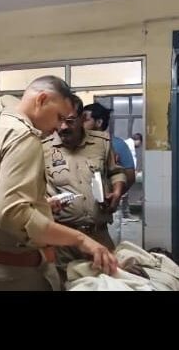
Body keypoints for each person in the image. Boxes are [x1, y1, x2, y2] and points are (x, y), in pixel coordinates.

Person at [0, 76, 118, 291]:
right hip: (20, 273)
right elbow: (13, 214)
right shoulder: (22, 137)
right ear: (42, 99)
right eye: (59, 117)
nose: (59, 127)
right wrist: (80, 239)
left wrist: (41, 204)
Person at [43, 95, 127, 285]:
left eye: (70, 121)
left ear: (82, 118)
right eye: (59, 120)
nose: (63, 127)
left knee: (108, 284)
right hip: (63, 239)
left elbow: (116, 172)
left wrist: (117, 192)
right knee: (65, 285)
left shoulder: (101, 142)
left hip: (98, 235)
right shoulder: (43, 148)